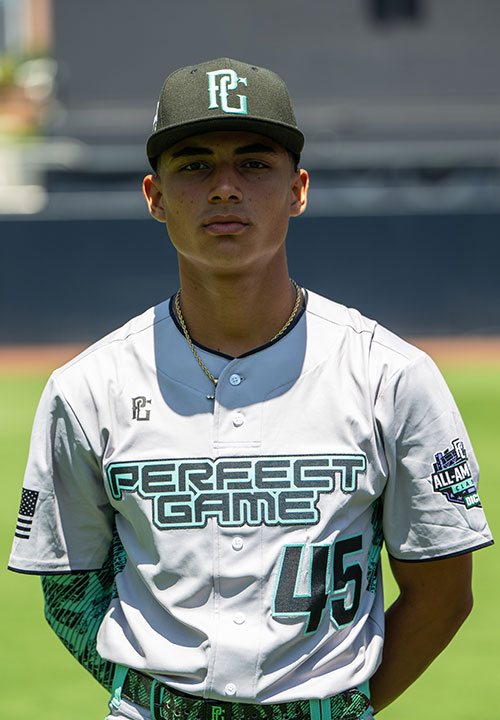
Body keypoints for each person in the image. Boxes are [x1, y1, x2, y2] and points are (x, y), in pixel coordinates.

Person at [9, 58, 493, 720]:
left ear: (297, 189)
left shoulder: (390, 375)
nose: (225, 188)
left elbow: (443, 592)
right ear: (155, 196)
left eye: (254, 163)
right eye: (195, 165)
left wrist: (339, 711)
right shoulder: (88, 387)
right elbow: (69, 593)